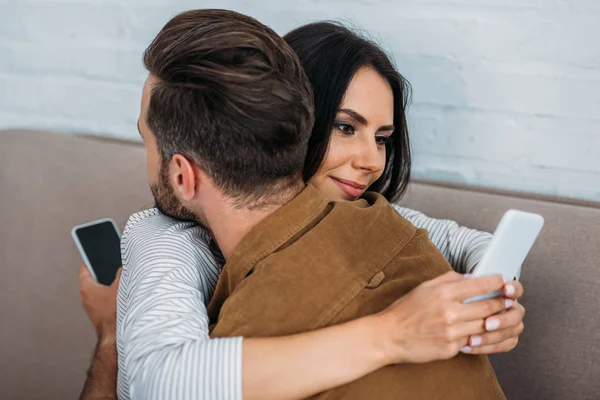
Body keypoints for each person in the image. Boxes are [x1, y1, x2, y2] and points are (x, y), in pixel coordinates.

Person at [77, 11, 524, 400]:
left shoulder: (376, 215)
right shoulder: (176, 242)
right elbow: (167, 377)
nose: (370, 161)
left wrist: (487, 302)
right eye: (346, 127)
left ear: (181, 175)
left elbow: (158, 384)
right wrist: (397, 332)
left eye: (382, 138)